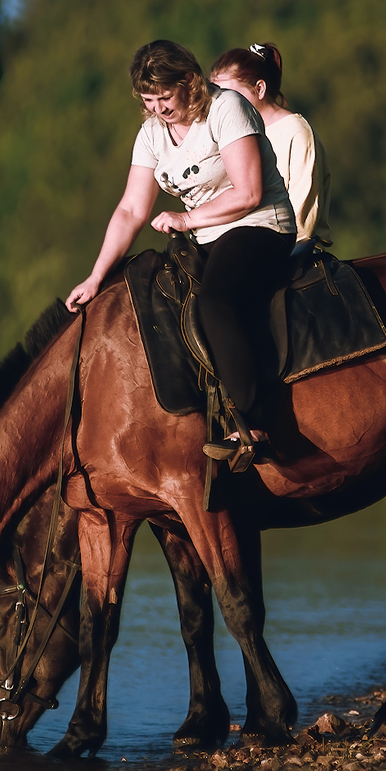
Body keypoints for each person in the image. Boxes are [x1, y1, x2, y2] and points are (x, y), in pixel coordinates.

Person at [65, 40, 294, 464]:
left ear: (190, 81)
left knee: (216, 303)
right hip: (205, 237)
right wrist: (95, 277)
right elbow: (131, 209)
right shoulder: (152, 133)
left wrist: (186, 219)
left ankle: (253, 425)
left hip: (259, 226)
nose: (158, 109)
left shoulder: (227, 109)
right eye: (149, 100)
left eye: (165, 97)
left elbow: (249, 193)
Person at [209, 43, 329, 259]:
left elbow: (303, 213)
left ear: (260, 89)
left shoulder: (296, 132)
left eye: (229, 94)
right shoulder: (228, 133)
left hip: (286, 249)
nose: (223, 103)